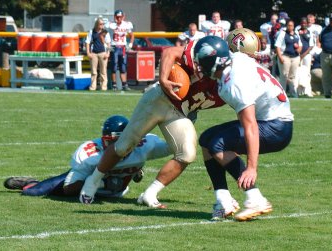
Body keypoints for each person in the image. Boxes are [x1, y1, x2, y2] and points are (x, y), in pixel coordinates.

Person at [79, 37, 227, 207]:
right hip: (158, 100)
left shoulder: (233, 85)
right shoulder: (205, 53)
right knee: (123, 146)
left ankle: (149, 194)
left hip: (179, 112)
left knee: (187, 154)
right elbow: (170, 52)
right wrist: (164, 79)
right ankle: (93, 180)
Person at [195, 35, 293, 221]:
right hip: (271, 119)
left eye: (202, 63)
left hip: (277, 126)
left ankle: (255, 198)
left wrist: (251, 167)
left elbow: (251, 127)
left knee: (217, 144)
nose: (200, 67)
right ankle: (223, 200)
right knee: (206, 139)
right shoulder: (237, 59)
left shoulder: (233, 85)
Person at [3, 115, 171, 198]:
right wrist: (99, 180)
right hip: (86, 183)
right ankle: (30, 183)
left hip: (114, 193)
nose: (111, 146)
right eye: (108, 141)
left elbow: (174, 147)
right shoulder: (90, 154)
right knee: (33, 193)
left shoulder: (144, 146)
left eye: (116, 141)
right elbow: (69, 188)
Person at [275, 19, 303, 97]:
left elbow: (300, 45)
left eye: (292, 25)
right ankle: (282, 94)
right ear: (286, 26)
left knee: (292, 76)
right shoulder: (282, 34)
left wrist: (299, 49)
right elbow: (277, 46)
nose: (290, 27)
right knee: (284, 75)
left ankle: (293, 93)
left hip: (295, 57)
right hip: (285, 56)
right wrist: (280, 56)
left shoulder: (296, 34)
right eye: (289, 25)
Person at [109, 9, 134, 91]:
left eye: (120, 17)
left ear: (123, 17)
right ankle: (114, 85)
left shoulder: (127, 25)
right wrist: (106, 44)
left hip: (123, 47)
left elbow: (132, 35)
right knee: (114, 67)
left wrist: (130, 44)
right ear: (115, 17)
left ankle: (124, 85)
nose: (119, 19)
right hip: (115, 47)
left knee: (123, 67)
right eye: (117, 17)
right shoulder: (111, 25)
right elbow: (103, 34)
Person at [86, 17, 111, 91]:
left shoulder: (105, 32)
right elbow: (87, 42)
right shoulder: (91, 32)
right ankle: (93, 87)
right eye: (100, 24)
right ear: (97, 24)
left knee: (103, 72)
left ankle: (103, 87)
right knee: (94, 72)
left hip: (103, 53)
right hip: (94, 53)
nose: (102, 25)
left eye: (103, 24)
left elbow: (108, 43)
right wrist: (88, 53)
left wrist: (108, 53)